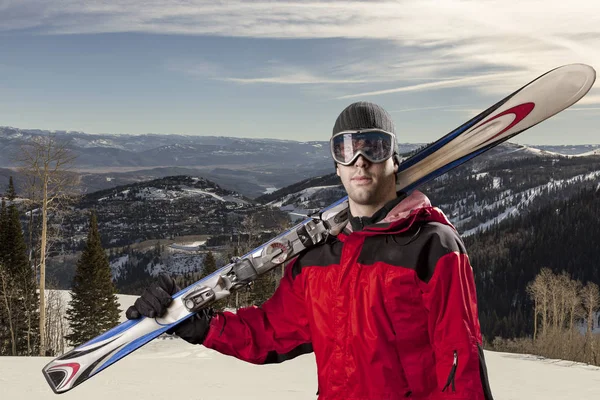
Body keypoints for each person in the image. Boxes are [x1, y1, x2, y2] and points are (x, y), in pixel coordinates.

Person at [126, 102, 494, 400]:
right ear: (337, 167)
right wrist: (198, 325)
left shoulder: (431, 245)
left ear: (394, 159)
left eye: (375, 147)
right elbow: (270, 332)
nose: (360, 160)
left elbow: (460, 362)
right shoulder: (318, 256)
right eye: (346, 150)